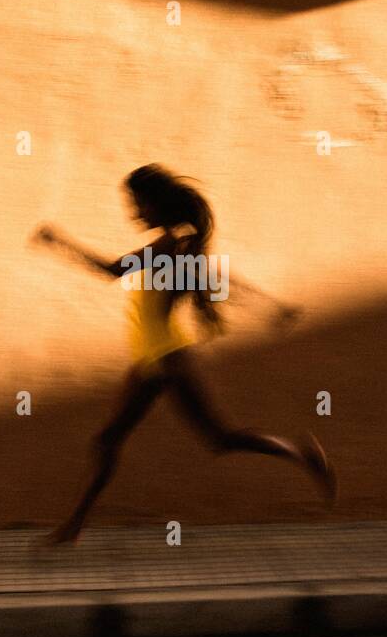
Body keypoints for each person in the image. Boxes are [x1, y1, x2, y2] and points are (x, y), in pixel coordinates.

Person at [32, 164, 335, 545]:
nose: (134, 212)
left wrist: (60, 243)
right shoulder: (180, 244)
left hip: (167, 359)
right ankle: (73, 528)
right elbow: (220, 280)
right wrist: (270, 306)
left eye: (138, 204)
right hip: (154, 356)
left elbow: (114, 270)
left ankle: (302, 453)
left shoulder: (169, 244)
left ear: (158, 204)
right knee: (148, 439)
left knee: (186, 439)